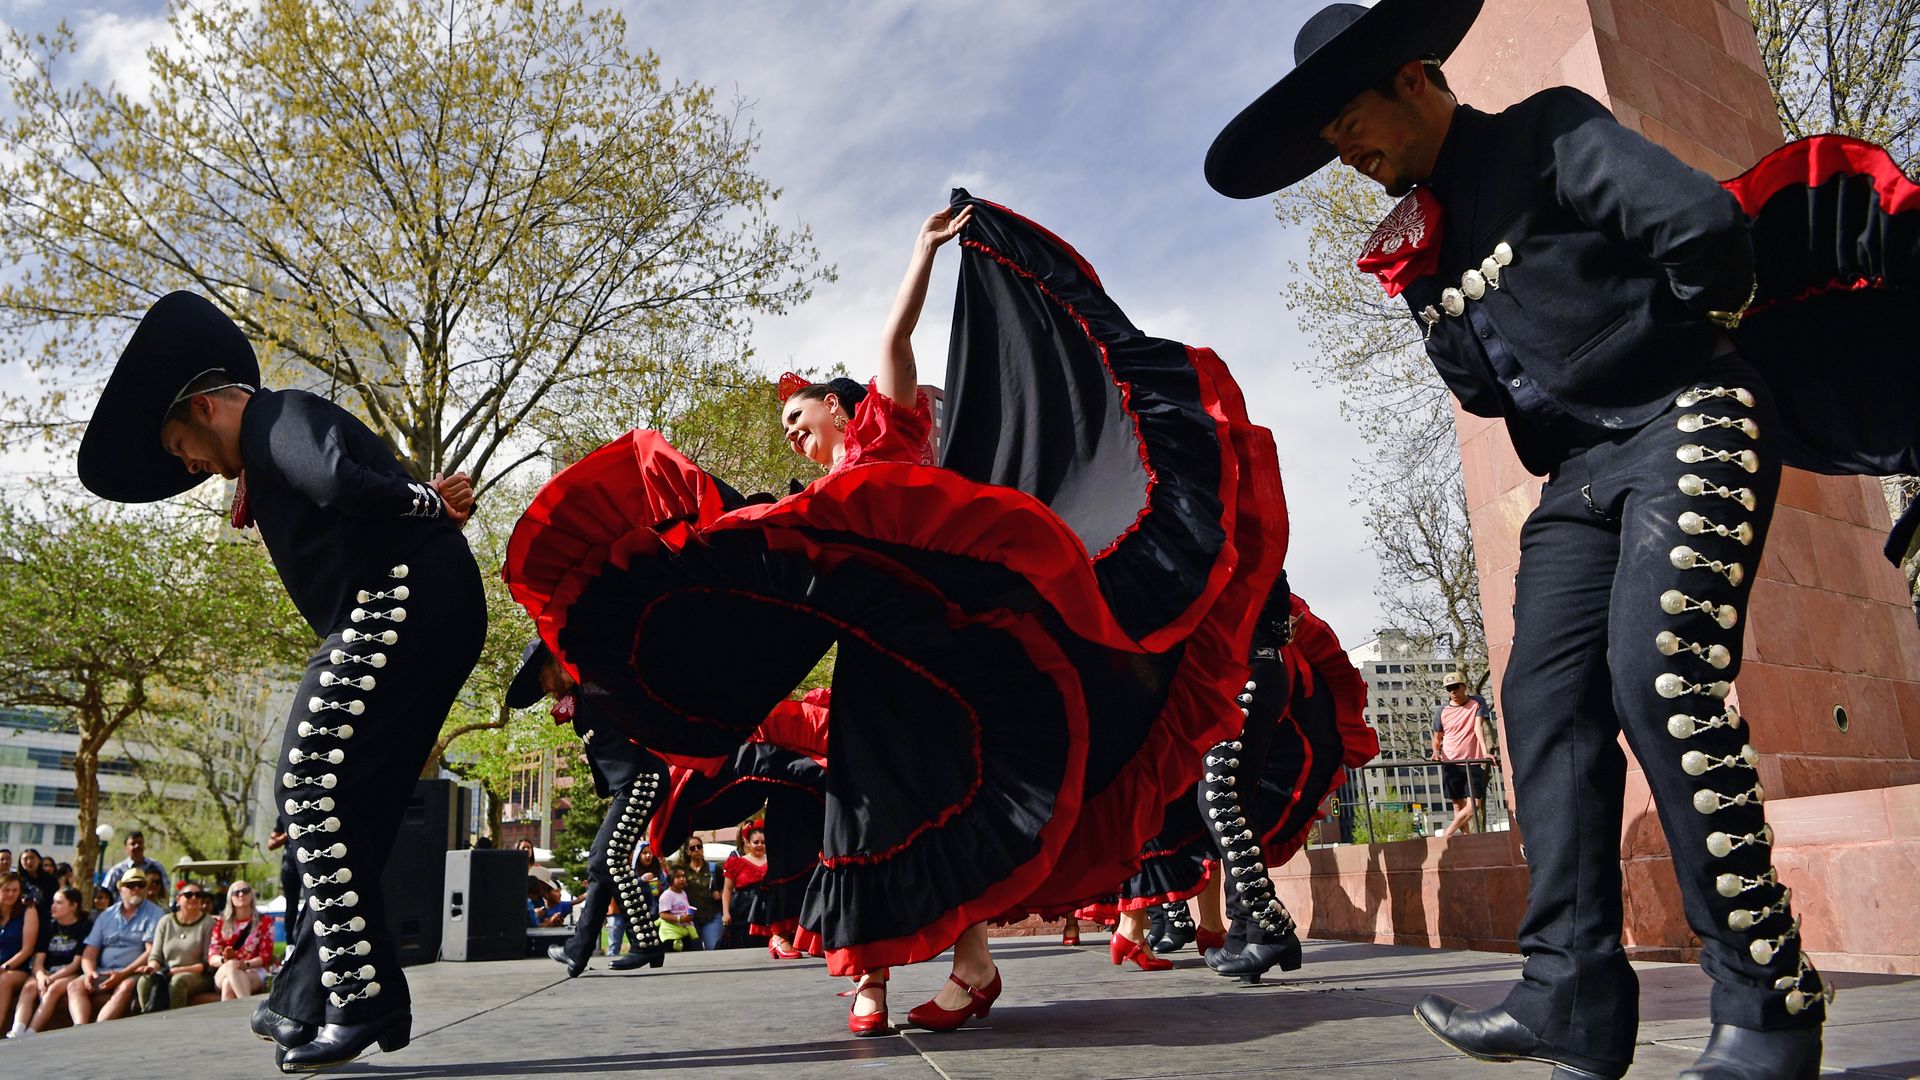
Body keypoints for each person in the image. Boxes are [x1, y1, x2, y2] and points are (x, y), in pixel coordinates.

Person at [1203, 2, 1877, 1075]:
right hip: (1577, 472)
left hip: (1687, 412)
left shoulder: (1547, 131)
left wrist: (1659, 355)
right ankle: (1570, 994)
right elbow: (1488, 398)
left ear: (1414, 81)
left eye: (1354, 128)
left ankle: (1768, 1002)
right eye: (1335, 148)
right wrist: (1425, 289)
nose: (1351, 157)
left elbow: (1704, 232)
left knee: (1661, 679)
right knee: (1541, 703)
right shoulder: (1428, 233)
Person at [503, 198, 1286, 1038]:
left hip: (942, 646)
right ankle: (878, 975)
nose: (795, 438)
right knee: (867, 808)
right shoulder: (814, 499)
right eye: (789, 431)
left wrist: (922, 256)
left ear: (842, 409)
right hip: (874, 661)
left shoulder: (888, 426)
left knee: (959, 792)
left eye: (800, 421)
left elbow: (895, 346)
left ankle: (969, 965)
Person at [79, 291, 487, 1071]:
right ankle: (316, 996)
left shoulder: (275, 418)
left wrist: (426, 500)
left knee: (306, 785)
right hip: (423, 606)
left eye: (180, 447)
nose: (188, 468)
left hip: (396, 603)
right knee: (348, 806)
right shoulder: (264, 449)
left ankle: (361, 998)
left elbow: (332, 478)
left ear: (204, 407)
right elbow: (327, 486)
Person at [503, 640, 667, 978]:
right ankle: (578, 951)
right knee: (600, 865)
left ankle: (647, 941)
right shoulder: (579, 701)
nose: (544, 688)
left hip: (644, 779)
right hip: (630, 784)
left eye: (542, 678)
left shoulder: (598, 683)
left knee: (607, 858)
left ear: (556, 663)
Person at [66, 867, 164, 1024]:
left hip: (133, 972)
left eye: (140, 885)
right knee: (74, 985)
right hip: (102, 971)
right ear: (121, 889)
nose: (136, 889)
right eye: (131, 886)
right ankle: (80, 1027)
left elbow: (150, 951)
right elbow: (90, 951)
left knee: (125, 987)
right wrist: (90, 972)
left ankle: (100, 1027)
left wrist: (123, 974)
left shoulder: (155, 913)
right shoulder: (106, 915)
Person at [7, 886, 90, 1038]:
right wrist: (41, 977)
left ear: (73, 906)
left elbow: (76, 963)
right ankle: (17, 1030)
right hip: (46, 971)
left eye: (59, 903)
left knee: (53, 990)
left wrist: (51, 979)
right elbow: (38, 961)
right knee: (29, 987)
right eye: (53, 902)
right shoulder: (49, 926)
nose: (53, 906)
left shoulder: (84, 927)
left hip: (69, 972)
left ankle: (32, 1032)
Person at [137, 882, 215, 1013]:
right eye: (189, 895)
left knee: (178, 981)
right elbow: (155, 955)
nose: (194, 898)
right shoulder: (165, 921)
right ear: (178, 899)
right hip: (166, 971)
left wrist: (180, 970)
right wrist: (151, 967)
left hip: (197, 974)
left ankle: (175, 1023)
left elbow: (208, 963)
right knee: (144, 981)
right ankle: (148, 1019)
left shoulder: (209, 923)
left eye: (198, 895)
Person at [1432, 672, 1491, 837]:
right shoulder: (1441, 711)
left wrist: (1485, 752)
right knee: (1458, 806)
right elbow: (1437, 738)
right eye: (1449, 689)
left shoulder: (1477, 702)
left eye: (1456, 687)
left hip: (1472, 762)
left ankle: (1447, 835)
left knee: (1474, 806)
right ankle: (1467, 841)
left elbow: (1478, 728)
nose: (1453, 692)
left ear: (1464, 686)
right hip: (1450, 763)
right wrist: (1436, 752)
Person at [210, 880, 277, 1000]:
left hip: (253, 970)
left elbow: (265, 956)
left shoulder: (264, 921)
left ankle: (228, 1017)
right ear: (230, 898)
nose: (241, 895)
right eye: (236, 893)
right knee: (231, 966)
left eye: (245, 891)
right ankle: (248, 1010)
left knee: (228, 984)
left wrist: (245, 964)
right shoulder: (221, 924)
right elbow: (212, 956)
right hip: (224, 968)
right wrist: (224, 960)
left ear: (251, 895)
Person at [0, 873, 41, 1028]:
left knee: (3, 981)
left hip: (17, 968)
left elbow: (27, 949)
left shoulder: (28, 910)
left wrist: (4, 967)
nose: (11, 894)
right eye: (6, 890)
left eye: (15, 890)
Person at [672, 838, 724, 951]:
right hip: (690, 919)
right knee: (694, 951)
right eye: (692, 848)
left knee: (713, 947)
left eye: (699, 847)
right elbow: (672, 889)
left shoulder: (714, 869)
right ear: (687, 852)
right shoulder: (682, 872)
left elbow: (727, 889)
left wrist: (720, 894)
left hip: (711, 915)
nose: (696, 850)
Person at [102, 831, 168, 903]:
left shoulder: (156, 866)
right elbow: (105, 893)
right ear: (126, 848)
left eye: (140, 843)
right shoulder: (117, 871)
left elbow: (167, 888)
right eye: (133, 844)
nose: (137, 846)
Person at [655, 867, 697, 951]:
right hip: (671, 934)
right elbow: (663, 914)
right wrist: (679, 918)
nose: (682, 879)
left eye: (683, 876)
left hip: (683, 931)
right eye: (678, 877)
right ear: (671, 879)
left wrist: (688, 916)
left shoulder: (683, 893)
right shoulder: (667, 895)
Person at [18, 850, 57, 920]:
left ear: (39, 860)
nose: (29, 861)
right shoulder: (17, 880)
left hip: (45, 918)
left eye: (32, 858)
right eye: (25, 859)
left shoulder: (50, 880)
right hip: (22, 917)